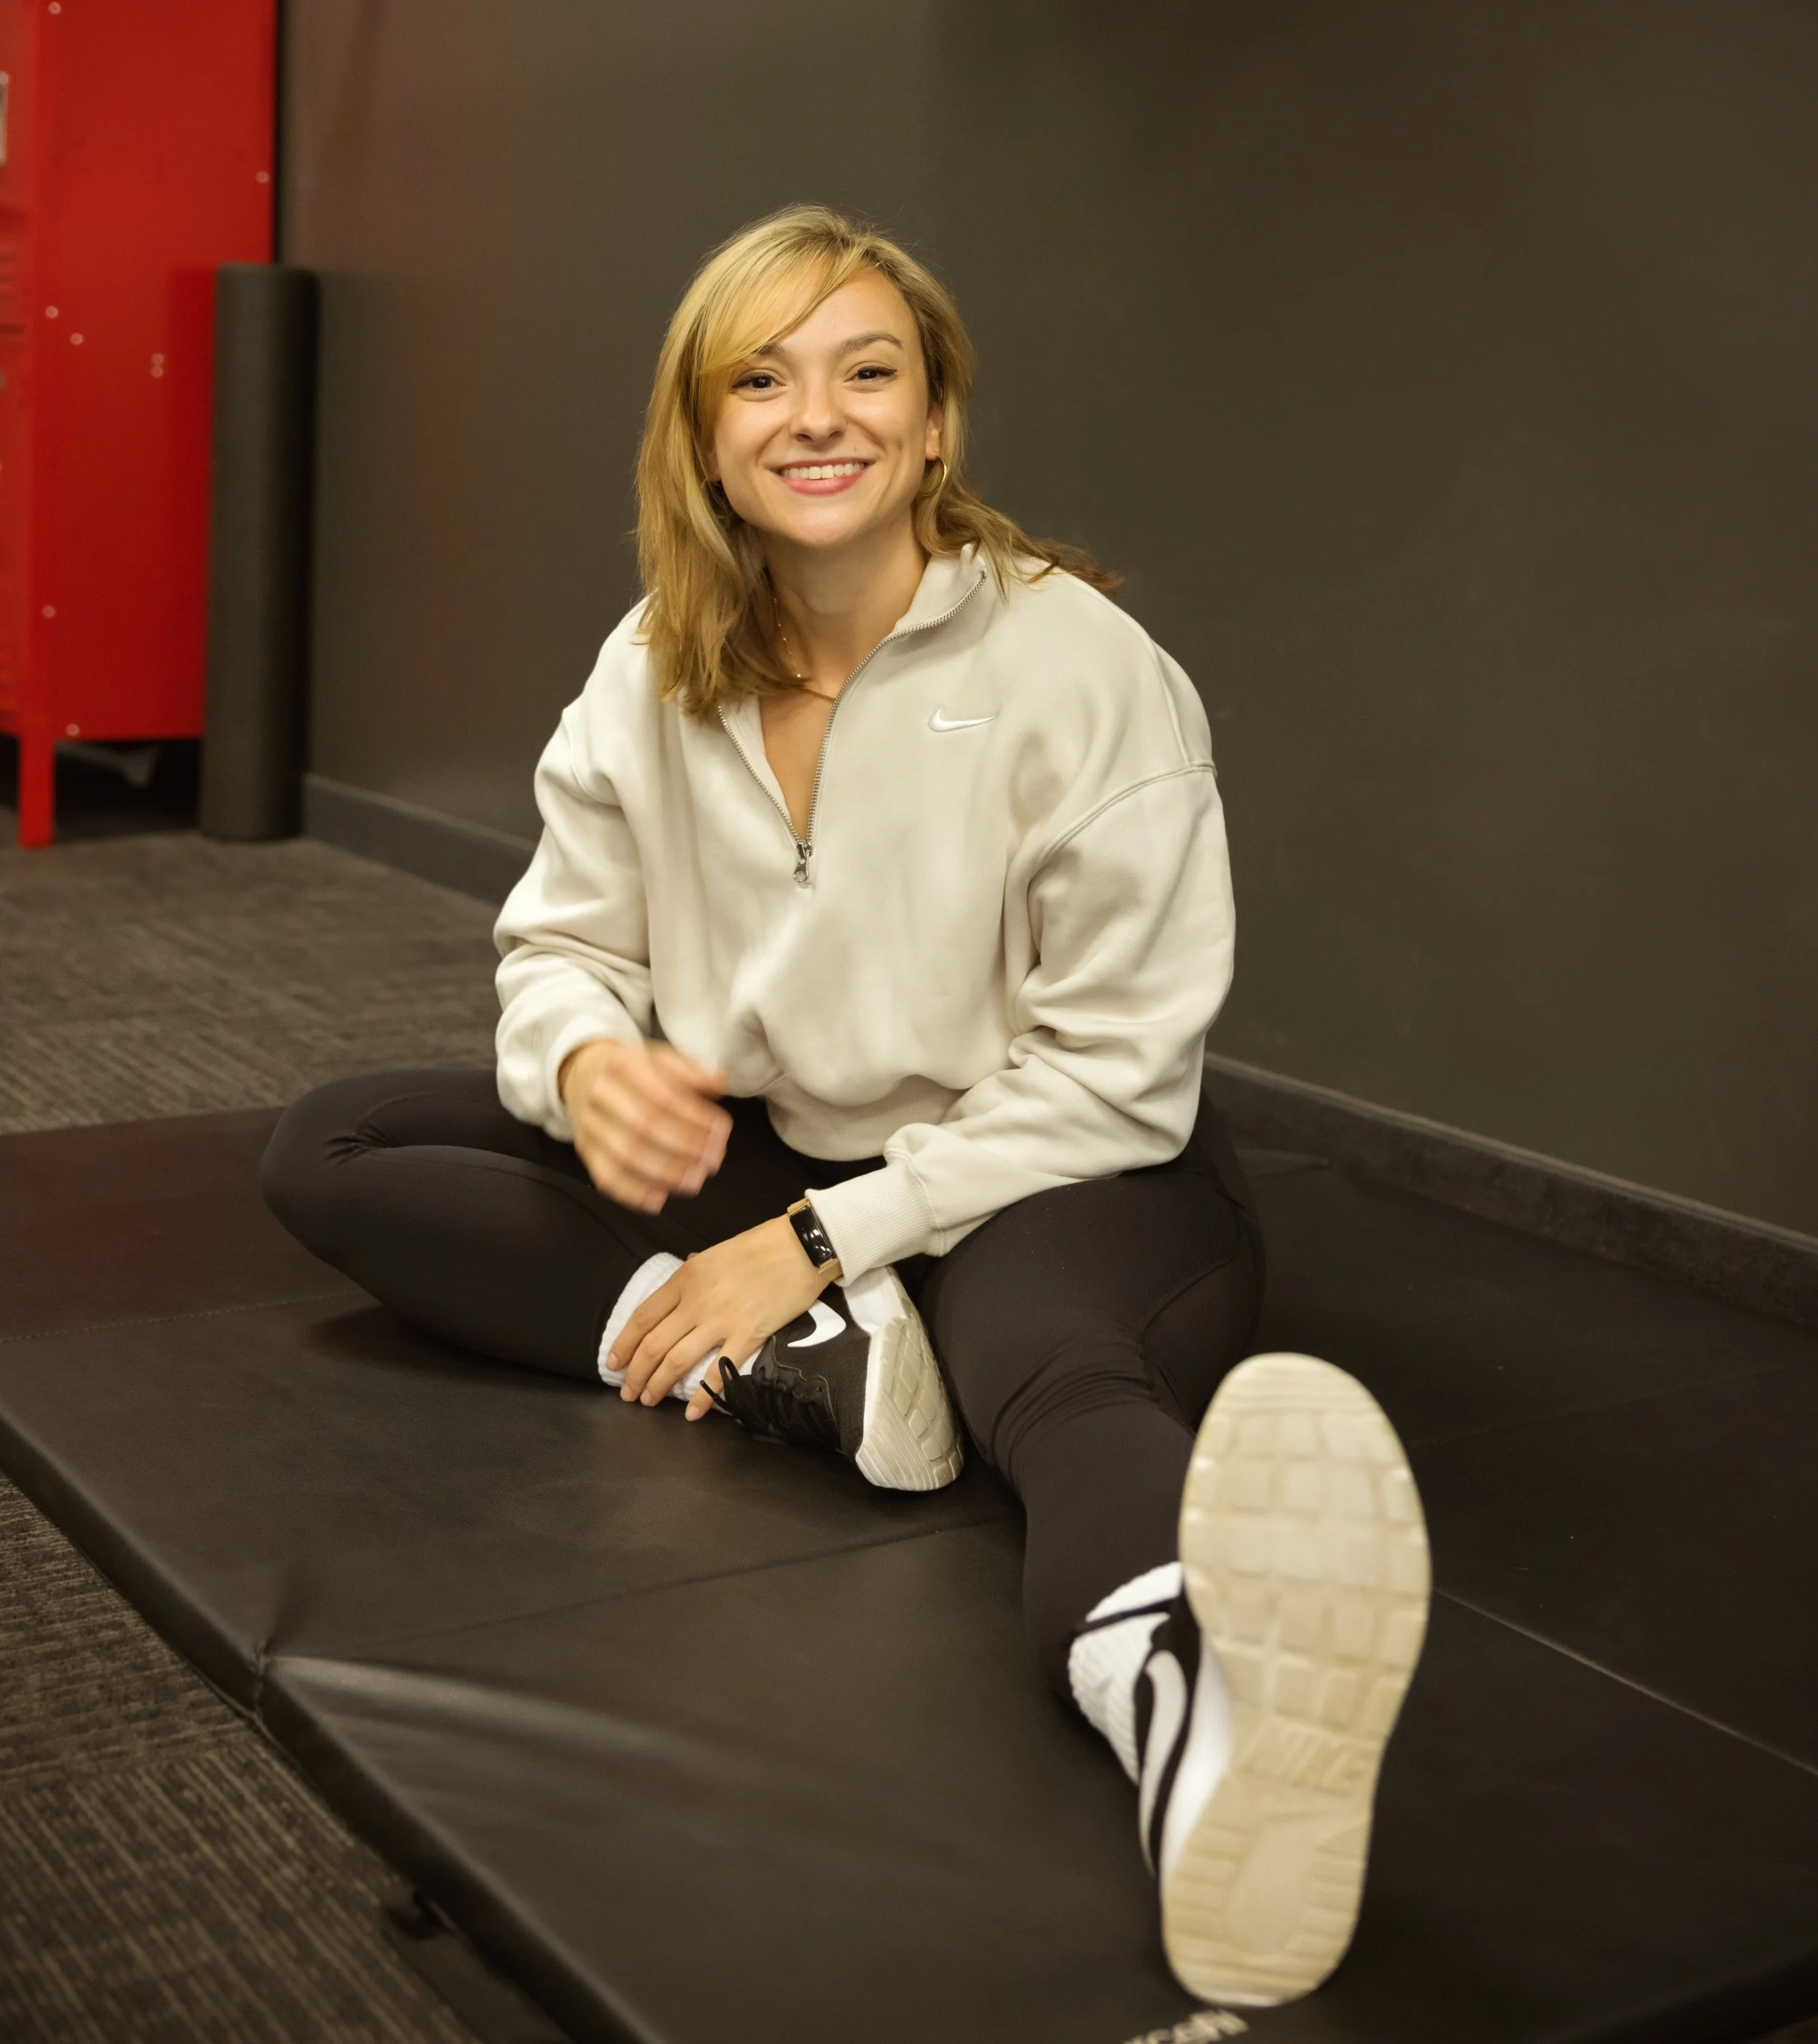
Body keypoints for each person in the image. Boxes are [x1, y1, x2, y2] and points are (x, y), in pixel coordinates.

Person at [262, 205, 1429, 2008]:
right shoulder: (651, 661)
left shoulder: (1079, 670)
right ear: (703, 433)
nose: (817, 414)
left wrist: (812, 1240)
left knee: (1048, 1375)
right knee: (331, 1148)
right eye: (762, 379)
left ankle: (1203, 1730)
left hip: (1061, 1169)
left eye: (867, 371)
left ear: (934, 419)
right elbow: (561, 943)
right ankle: (811, 1371)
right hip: (780, 1142)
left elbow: (1112, 1075)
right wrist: (583, 1064)